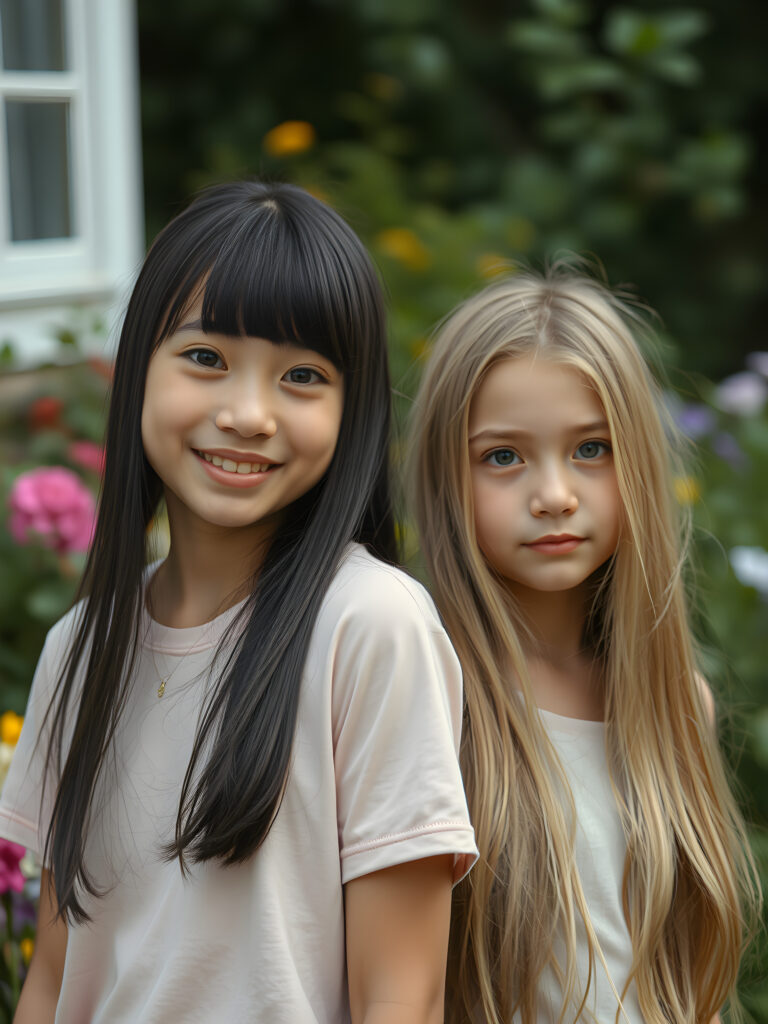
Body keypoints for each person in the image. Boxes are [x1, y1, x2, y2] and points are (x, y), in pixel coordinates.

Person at [0, 181, 477, 1024]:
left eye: (301, 376)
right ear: (139, 368)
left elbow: (402, 997)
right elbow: (54, 980)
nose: (248, 414)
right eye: (206, 359)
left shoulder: (370, 628)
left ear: (352, 411)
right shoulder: (79, 650)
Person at [409, 267, 759, 1024]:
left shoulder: (674, 703)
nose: (555, 493)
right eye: (503, 456)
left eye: (591, 449)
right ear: (445, 477)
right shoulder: (432, 696)